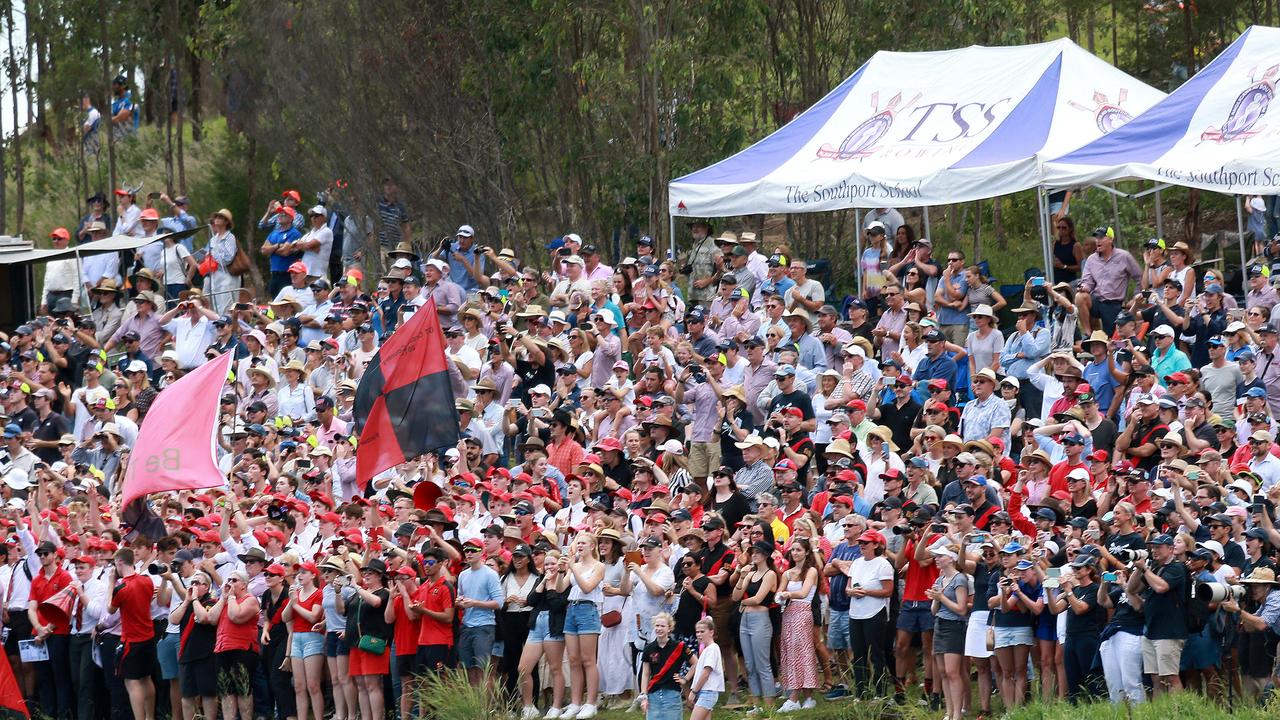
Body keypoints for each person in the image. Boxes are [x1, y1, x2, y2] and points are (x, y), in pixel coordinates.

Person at [109, 547, 158, 720]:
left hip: (132, 639)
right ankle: (150, 717)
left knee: (132, 682)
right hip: (148, 636)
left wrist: (110, 583)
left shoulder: (121, 588)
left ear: (120, 562)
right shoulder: (147, 581)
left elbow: (110, 609)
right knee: (146, 678)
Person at [733, 540, 778, 712]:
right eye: (753, 552)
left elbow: (758, 599)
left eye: (758, 552)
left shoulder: (770, 574)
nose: (754, 555)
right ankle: (756, 703)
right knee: (750, 664)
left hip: (760, 618)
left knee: (762, 663)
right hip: (745, 618)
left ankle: (769, 703)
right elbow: (735, 597)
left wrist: (744, 602)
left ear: (766, 555)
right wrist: (742, 577)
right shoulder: (751, 574)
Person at [683, 617, 722, 720]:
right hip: (704, 691)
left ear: (711, 632)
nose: (699, 635)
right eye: (697, 632)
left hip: (708, 692)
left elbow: (706, 673)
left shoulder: (712, 649)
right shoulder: (706, 649)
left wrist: (694, 691)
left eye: (702, 632)